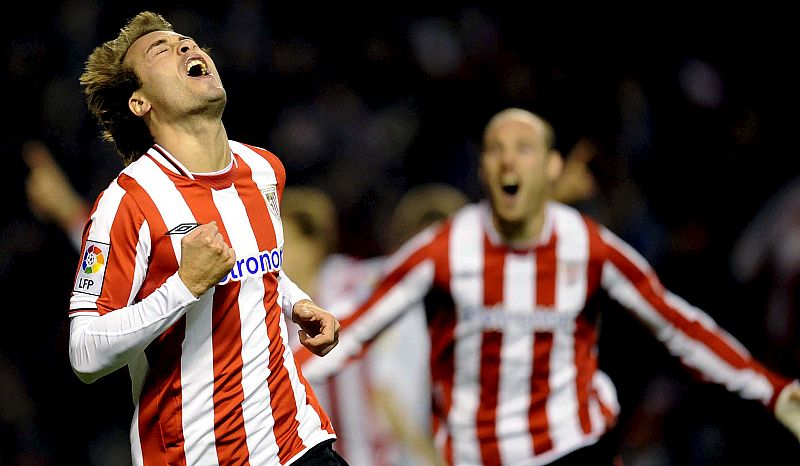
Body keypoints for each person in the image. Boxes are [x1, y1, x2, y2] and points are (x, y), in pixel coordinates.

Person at [295, 108, 800, 465]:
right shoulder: (445, 248)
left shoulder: (590, 247)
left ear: (553, 166)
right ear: (483, 169)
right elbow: (349, 333)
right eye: (496, 149)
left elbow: (678, 325)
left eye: (524, 148)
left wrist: (770, 389)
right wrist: (253, 401)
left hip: (576, 450)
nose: (508, 160)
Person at [68, 11, 347, 466]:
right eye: (162, 49)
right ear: (139, 103)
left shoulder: (263, 170)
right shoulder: (128, 202)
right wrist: (184, 285)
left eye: (189, 42)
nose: (186, 48)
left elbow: (258, 266)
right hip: (197, 455)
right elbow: (85, 352)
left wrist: (296, 303)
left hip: (298, 441)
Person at [281, 184, 469, 466]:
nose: (275, 252)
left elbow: (408, 272)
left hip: (376, 454)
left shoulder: (351, 281)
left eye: (286, 240)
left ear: (313, 244)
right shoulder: (272, 304)